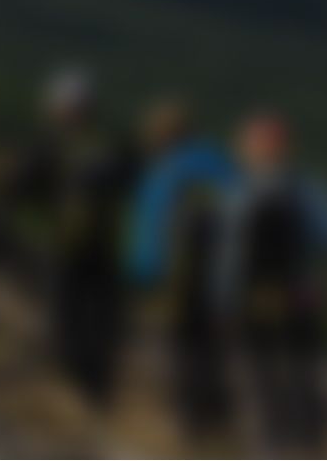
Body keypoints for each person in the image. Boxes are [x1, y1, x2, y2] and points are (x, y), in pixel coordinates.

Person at [6, 64, 140, 407]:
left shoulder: (52, 144)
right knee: (102, 317)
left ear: (63, 107)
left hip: (66, 243)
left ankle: (71, 385)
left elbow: (18, 187)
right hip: (109, 246)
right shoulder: (115, 144)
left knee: (67, 313)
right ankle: (100, 386)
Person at [219, 112, 327, 456]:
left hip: (254, 299)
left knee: (258, 378)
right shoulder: (307, 186)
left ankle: (268, 446)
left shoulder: (240, 193)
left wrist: (224, 301)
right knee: (304, 375)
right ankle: (311, 444)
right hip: (302, 294)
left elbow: (230, 259)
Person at [125, 98, 240, 447]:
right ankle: (219, 414)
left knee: (181, 347)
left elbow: (150, 229)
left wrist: (142, 274)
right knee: (216, 348)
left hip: (176, 280)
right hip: (223, 278)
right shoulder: (221, 164)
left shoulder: (164, 171)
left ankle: (192, 422)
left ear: (162, 135)